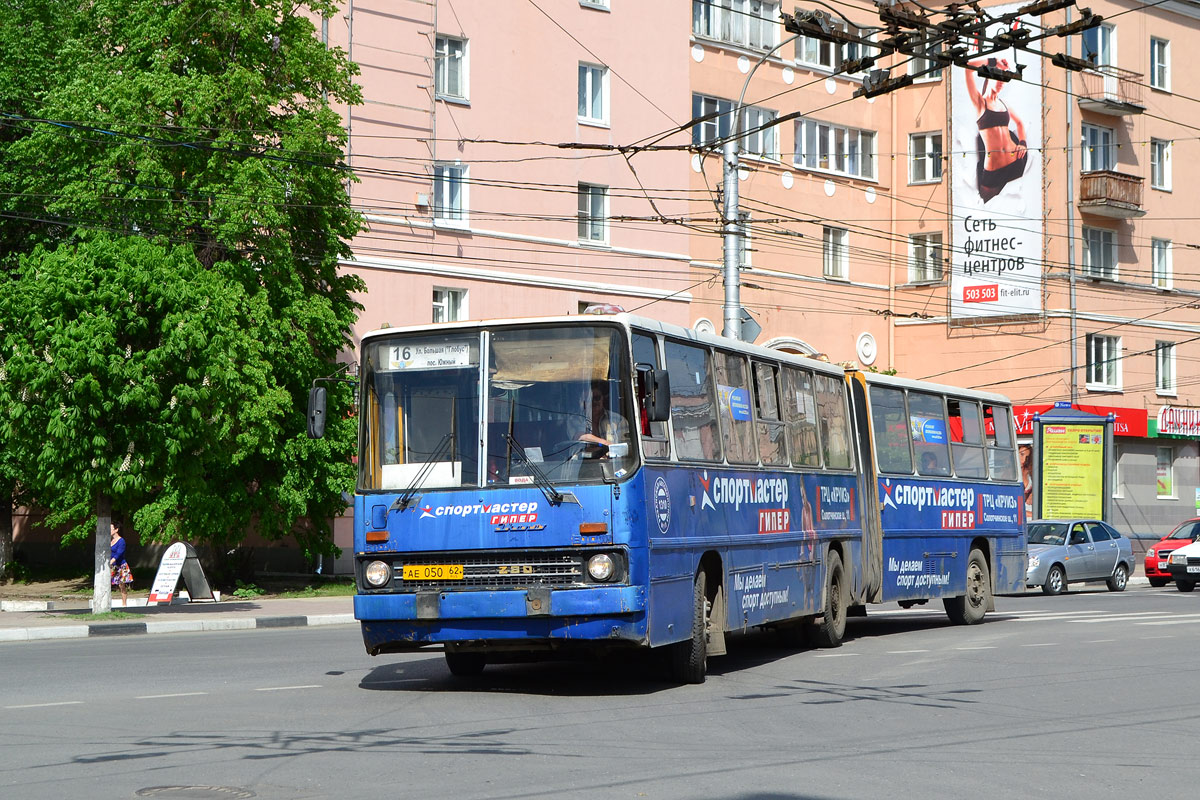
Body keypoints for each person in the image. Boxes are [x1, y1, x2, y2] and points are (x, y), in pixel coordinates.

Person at [965, 57, 1029, 202]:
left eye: (1004, 80)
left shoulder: (1004, 103)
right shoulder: (980, 102)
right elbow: (968, 68)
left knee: (1020, 207)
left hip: (1016, 162)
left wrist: (1023, 143)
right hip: (993, 172)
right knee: (983, 207)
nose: (1001, 82)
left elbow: (1020, 123)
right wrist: (994, 62)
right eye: (999, 78)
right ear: (988, 77)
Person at [574, 381, 629, 449]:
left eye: (597, 398)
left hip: (612, 459)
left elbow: (626, 448)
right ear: (582, 402)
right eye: (589, 399)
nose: (594, 402)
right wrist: (607, 444)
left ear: (603, 398)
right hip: (580, 459)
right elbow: (582, 437)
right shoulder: (575, 419)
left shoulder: (619, 420)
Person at [109, 521, 133, 607]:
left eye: (110, 529)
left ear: (116, 530)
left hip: (121, 566)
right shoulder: (110, 541)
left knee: (121, 585)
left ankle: (124, 604)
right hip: (112, 566)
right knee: (110, 584)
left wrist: (112, 560)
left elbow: (119, 553)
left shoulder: (121, 541)